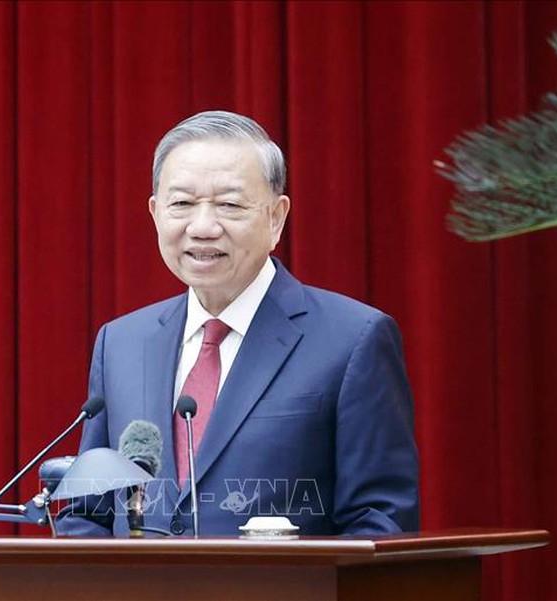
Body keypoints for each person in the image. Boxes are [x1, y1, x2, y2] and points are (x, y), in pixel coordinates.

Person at [56, 110, 419, 536]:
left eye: (229, 205)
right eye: (182, 204)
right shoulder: (121, 343)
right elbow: (88, 512)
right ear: (155, 213)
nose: (203, 227)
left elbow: (380, 521)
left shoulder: (353, 339)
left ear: (276, 217)